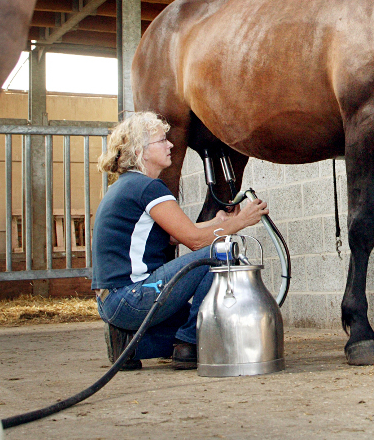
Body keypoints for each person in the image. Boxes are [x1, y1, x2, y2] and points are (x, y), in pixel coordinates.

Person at [91, 111, 268, 370]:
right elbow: (194, 242)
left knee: (206, 321)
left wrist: (218, 222)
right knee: (220, 254)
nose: (170, 144)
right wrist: (240, 222)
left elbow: (175, 234)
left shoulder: (127, 186)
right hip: (132, 297)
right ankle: (189, 346)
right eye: (162, 140)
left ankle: (130, 342)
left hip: (114, 302)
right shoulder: (148, 188)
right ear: (141, 151)